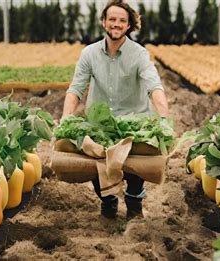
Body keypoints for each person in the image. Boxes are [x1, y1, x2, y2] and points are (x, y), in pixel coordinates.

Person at [61, 0, 170, 220]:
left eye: (122, 20)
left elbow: (153, 86)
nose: (116, 24)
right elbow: (76, 88)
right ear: (104, 22)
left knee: (136, 163)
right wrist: (65, 117)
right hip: (101, 124)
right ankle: (108, 199)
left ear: (129, 26)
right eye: (112, 19)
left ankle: (134, 201)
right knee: (96, 160)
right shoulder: (90, 53)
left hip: (134, 122)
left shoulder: (139, 54)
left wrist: (164, 117)